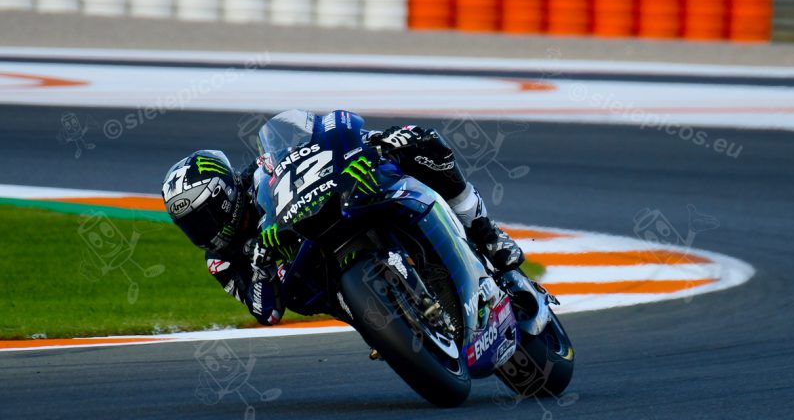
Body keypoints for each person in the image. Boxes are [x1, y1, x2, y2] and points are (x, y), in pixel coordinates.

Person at [161, 110, 524, 327]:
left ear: (224, 198)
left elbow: (314, 146)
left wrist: (370, 143)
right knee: (302, 294)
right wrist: (261, 265)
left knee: (420, 141)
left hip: (333, 214)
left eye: (204, 217)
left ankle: (486, 232)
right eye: (191, 225)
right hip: (322, 281)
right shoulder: (222, 261)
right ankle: (386, 320)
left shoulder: (260, 174)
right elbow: (266, 312)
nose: (202, 232)